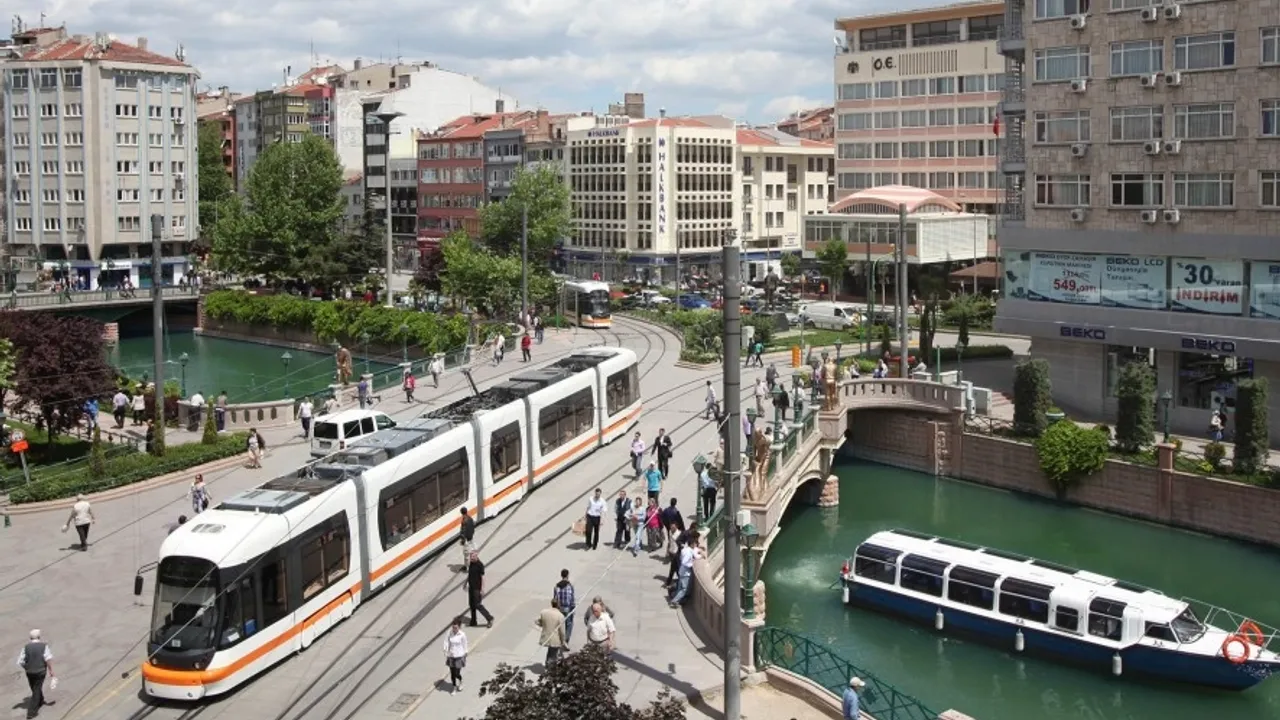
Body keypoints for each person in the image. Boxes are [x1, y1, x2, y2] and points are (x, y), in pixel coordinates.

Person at [16, 629, 55, 719]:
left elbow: (20, 661)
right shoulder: (43, 646)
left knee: (34, 687)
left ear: (30, 638)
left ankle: (40, 700)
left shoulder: (26, 647)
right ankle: (31, 712)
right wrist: (51, 670)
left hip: (29, 672)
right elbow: (48, 659)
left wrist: (27, 667)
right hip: (40, 671)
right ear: (39, 637)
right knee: (36, 689)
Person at [465, 551, 495, 627]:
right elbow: (470, 574)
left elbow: (482, 578)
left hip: (477, 589)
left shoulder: (480, 565)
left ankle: (489, 618)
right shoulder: (471, 563)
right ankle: (473, 621)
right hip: (471, 587)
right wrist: (466, 583)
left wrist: (482, 589)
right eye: (471, 557)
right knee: (471, 605)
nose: (471, 558)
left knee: (477, 605)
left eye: (473, 557)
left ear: (476, 556)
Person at [536, 599, 568, 668]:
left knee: (550, 652)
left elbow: (539, 622)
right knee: (553, 655)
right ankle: (549, 668)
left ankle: (548, 665)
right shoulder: (560, 616)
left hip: (546, 637)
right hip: (555, 639)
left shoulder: (544, 612)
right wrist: (563, 642)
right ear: (559, 605)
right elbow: (562, 632)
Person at [443, 618, 468, 695]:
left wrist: (465, 653)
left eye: (456, 628)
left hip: (459, 656)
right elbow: (446, 641)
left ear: (459, 627)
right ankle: (454, 688)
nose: (454, 629)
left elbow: (465, 644)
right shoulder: (449, 633)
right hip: (451, 655)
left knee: (457, 673)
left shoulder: (462, 635)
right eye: (453, 627)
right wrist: (445, 649)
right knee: (452, 673)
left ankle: (461, 681)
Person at [552, 569, 577, 642]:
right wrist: (573, 608)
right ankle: (566, 640)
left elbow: (555, 599)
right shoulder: (570, 586)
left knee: (560, 624)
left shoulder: (556, 586)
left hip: (559, 609)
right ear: (567, 575)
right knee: (569, 624)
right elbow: (572, 598)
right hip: (567, 608)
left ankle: (560, 638)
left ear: (561, 575)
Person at [458, 507, 476, 572]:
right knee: (472, 551)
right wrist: (471, 534)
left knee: (466, 554)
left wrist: (462, 540)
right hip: (471, 537)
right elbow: (473, 526)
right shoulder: (470, 518)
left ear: (461, 513)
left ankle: (467, 567)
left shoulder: (464, 521)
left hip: (466, 539)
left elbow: (463, 532)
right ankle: (473, 564)